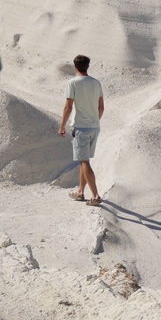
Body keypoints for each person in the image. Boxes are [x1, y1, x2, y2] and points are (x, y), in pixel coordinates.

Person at [58, 54, 104, 206]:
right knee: (84, 161)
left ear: (75, 67)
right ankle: (80, 192)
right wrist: (95, 120)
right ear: (87, 66)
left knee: (84, 161)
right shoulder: (96, 83)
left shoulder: (73, 83)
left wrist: (62, 126)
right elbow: (101, 107)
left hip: (81, 128)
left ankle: (96, 195)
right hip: (95, 127)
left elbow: (68, 107)